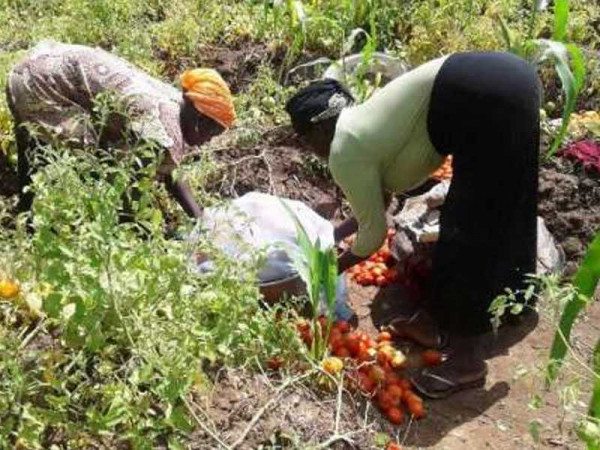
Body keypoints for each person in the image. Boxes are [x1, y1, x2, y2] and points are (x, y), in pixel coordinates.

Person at [285, 52, 541, 398]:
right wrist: (333, 236)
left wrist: (327, 270)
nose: (310, 150)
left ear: (316, 129)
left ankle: (465, 364)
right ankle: (486, 311)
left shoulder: (344, 148)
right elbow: (382, 205)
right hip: (505, 81)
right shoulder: (362, 124)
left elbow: (374, 234)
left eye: (304, 140)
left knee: (470, 231)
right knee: (506, 206)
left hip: (486, 101)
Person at [6, 40, 236, 219]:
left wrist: (200, 219)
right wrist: (142, 230)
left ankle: (25, 205)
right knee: (97, 166)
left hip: (37, 68)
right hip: (39, 87)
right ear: (199, 119)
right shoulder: (164, 127)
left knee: (47, 145)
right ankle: (54, 218)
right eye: (211, 134)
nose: (208, 142)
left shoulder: (175, 102)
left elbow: (172, 171)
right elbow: (129, 190)